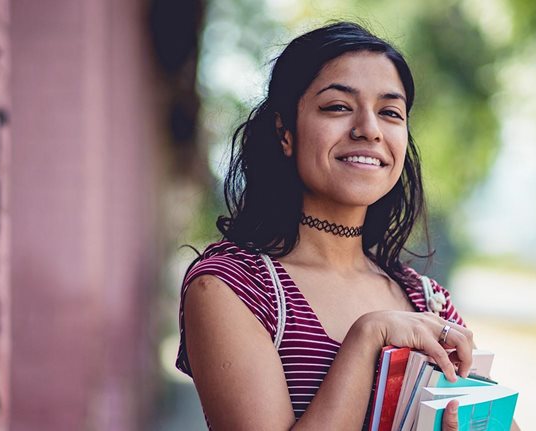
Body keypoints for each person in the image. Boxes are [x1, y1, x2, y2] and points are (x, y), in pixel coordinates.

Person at [177, 21, 518, 430]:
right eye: (338, 107)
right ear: (285, 132)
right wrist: (367, 337)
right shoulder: (233, 286)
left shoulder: (428, 302)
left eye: (390, 112)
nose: (369, 130)